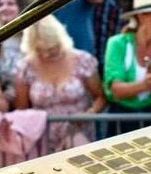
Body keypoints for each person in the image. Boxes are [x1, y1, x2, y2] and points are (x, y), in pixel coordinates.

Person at [14, 18, 104, 151]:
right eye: (39, 50)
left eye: (52, 49)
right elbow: (21, 108)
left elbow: (100, 97)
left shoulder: (83, 60)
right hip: (42, 138)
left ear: (60, 40)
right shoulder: (26, 67)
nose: (46, 54)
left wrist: (90, 113)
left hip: (79, 132)